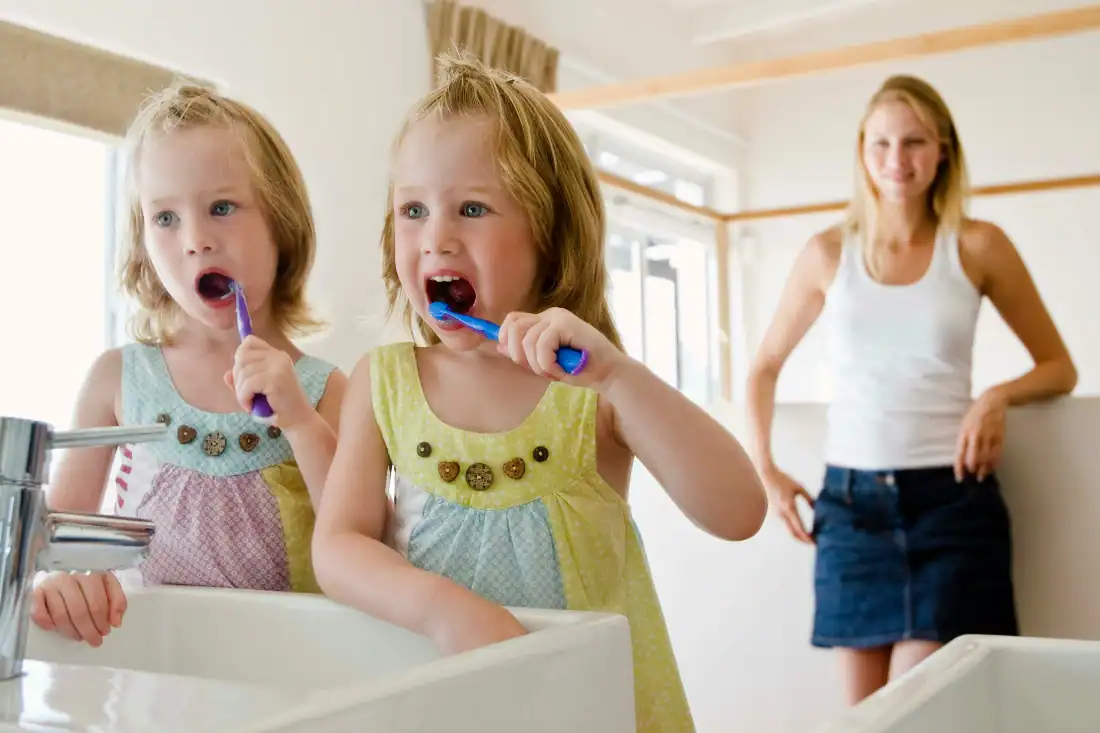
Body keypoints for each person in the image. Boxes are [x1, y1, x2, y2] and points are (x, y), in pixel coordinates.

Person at [310, 53, 767, 733]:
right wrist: (444, 608)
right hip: (449, 709)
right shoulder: (384, 380)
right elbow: (340, 543)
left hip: (594, 711)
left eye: (472, 208)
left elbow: (739, 510)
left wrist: (618, 376)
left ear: (549, 234)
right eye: (412, 209)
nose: (436, 236)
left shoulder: (592, 387)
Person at [746, 74, 1078, 704]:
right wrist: (766, 467)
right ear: (862, 152)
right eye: (881, 144)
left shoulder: (980, 246)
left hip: (953, 507)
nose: (897, 161)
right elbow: (763, 365)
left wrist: (995, 397)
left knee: (919, 710)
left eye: (915, 142)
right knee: (865, 720)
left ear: (943, 149)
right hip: (849, 510)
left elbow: (1059, 366)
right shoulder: (826, 253)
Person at [31, 83, 347, 648]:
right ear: (142, 241)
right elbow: (55, 545)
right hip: (148, 666)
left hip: (290, 664)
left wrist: (298, 419)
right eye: (165, 218)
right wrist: (59, 583)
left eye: (221, 208)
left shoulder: (326, 391)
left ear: (281, 221)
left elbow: (358, 538)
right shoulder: (116, 379)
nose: (196, 240)